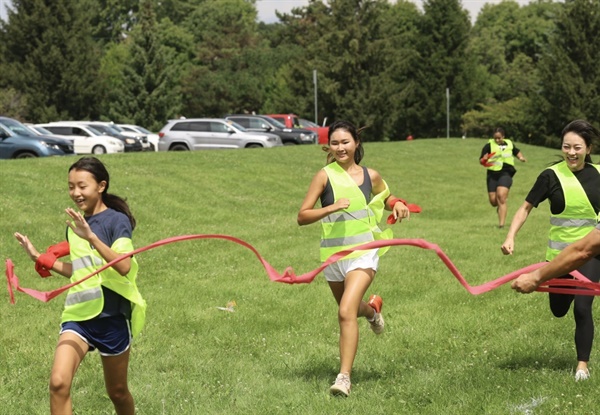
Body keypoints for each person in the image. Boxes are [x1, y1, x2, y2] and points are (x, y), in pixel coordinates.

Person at [14, 156, 146, 415]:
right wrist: (41, 258)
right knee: (58, 383)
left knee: (117, 392)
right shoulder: (75, 226)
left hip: (112, 317)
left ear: (101, 186)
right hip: (78, 316)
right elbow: (81, 271)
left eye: (82, 186)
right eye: (71, 186)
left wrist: (92, 237)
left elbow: (123, 267)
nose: (75, 192)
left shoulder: (115, 221)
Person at [297, 120, 410, 397]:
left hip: (364, 252)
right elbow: (302, 216)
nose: (340, 147)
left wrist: (397, 203)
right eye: (334, 143)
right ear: (329, 146)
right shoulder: (324, 176)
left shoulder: (371, 175)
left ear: (356, 144)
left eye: (345, 142)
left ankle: (344, 378)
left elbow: (386, 197)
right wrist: (331, 207)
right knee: (353, 309)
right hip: (333, 258)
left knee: (345, 312)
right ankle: (372, 311)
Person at [504, 120, 600, 381]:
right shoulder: (551, 176)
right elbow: (525, 208)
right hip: (558, 257)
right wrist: (511, 236)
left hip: (591, 255)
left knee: (583, 307)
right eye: (566, 146)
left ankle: (582, 366)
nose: (571, 152)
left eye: (577, 147)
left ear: (588, 148)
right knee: (558, 310)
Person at [480, 127, 527, 228]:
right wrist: (483, 160)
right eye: (495, 138)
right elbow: (481, 160)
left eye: (499, 138)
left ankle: (501, 225)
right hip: (492, 174)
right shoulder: (489, 145)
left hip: (506, 172)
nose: (497, 140)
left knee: (501, 196)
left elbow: (516, 151)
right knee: (493, 201)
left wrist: (521, 157)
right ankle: (500, 207)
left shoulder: (509, 144)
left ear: (503, 137)